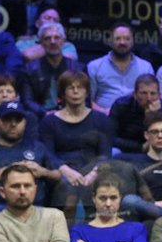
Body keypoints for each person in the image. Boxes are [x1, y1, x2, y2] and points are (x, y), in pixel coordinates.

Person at [0, 101, 69, 218]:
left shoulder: (38, 147)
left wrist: (43, 172)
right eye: (7, 119)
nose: (13, 124)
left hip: (34, 207)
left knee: (54, 217)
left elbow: (58, 175)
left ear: (25, 122)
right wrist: (8, 171)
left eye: (17, 120)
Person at [39, 71, 114, 216]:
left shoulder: (101, 120)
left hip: (93, 169)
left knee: (99, 187)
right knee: (67, 192)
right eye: (70, 88)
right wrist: (66, 171)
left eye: (80, 87)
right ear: (63, 92)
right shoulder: (49, 121)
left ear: (87, 92)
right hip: (61, 171)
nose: (75, 91)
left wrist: (93, 174)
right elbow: (48, 153)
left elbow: (105, 153)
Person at [19, 22, 85, 115]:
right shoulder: (29, 69)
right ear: (40, 42)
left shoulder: (77, 68)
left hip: (71, 114)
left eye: (56, 38)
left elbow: (84, 98)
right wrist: (45, 113)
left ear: (63, 41)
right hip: (40, 116)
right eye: (47, 38)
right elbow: (27, 101)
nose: (53, 42)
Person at [87, 24, 155, 111]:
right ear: (110, 41)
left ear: (133, 41)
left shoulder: (146, 67)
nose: (122, 42)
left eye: (127, 38)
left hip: (136, 119)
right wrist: (104, 112)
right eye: (118, 38)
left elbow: (152, 99)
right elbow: (87, 99)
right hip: (102, 118)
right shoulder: (94, 66)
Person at [109, 74, 162, 155]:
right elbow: (110, 137)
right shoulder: (121, 105)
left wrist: (153, 117)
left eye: (153, 93)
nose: (148, 98)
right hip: (124, 150)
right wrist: (140, 147)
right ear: (134, 94)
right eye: (143, 93)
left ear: (159, 95)